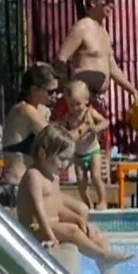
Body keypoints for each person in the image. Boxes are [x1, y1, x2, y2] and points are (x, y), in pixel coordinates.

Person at [14, 124, 132, 274]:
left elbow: (59, 208)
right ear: (43, 153)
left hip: (51, 224)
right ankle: (102, 256)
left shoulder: (53, 176)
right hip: (35, 227)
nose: (65, 165)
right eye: (61, 159)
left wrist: (79, 220)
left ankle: (109, 272)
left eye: (68, 160)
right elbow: (38, 210)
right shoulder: (34, 176)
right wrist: (51, 237)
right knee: (73, 231)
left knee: (95, 233)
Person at [57, 0, 136, 102]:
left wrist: (134, 91)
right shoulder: (82, 27)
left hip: (97, 99)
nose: (111, 6)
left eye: (112, 2)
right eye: (107, 2)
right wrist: (70, 91)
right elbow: (60, 59)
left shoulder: (104, 32)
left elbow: (113, 68)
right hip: (80, 101)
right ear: (93, 2)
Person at [0, 64, 58, 189]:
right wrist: (84, 126)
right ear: (34, 90)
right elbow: (57, 140)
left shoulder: (40, 110)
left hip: (33, 185)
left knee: (81, 209)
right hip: (17, 185)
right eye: (51, 91)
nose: (56, 95)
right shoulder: (24, 110)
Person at [59, 79, 110, 210]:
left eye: (78, 104)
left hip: (93, 151)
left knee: (96, 176)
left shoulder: (90, 112)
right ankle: (87, 202)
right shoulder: (68, 117)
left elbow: (105, 122)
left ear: (86, 100)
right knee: (81, 181)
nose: (74, 108)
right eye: (70, 105)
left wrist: (97, 128)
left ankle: (102, 201)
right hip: (79, 154)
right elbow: (61, 128)